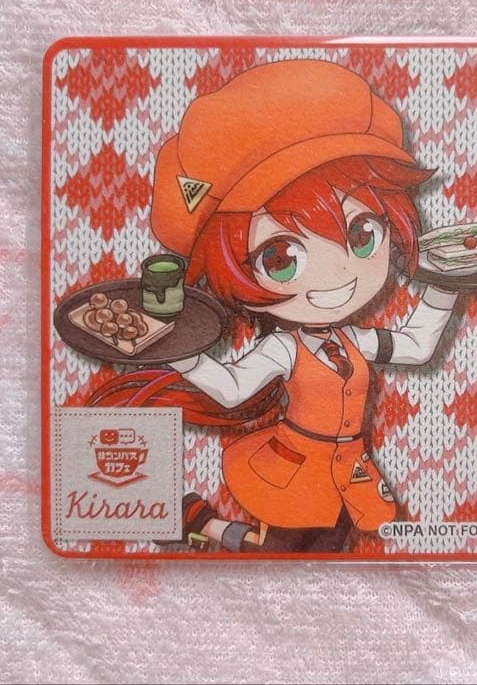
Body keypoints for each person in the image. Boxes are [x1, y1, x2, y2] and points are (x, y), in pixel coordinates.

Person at [89, 59, 458, 552]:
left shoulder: (354, 340)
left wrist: (446, 285)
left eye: (362, 234)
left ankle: (201, 523)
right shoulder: (284, 349)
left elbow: (417, 346)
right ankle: (202, 523)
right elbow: (231, 389)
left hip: (350, 474)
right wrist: (178, 351)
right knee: (279, 552)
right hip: (293, 472)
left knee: (334, 547)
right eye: (281, 258)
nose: (340, 273)